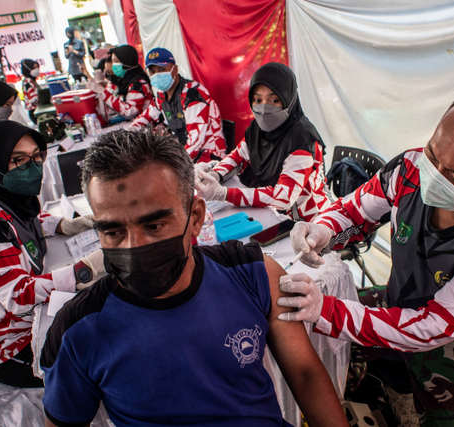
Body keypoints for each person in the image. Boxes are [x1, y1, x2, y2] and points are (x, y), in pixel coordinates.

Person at [40, 129, 348, 427]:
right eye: (113, 231)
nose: (134, 247)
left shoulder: (253, 273)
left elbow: (305, 374)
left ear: (196, 217)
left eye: (155, 226)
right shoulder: (77, 330)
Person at [278, 91, 454, 426]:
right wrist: (323, 229)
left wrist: (329, 311)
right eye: (433, 154)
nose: (434, 174)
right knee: (302, 328)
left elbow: (432, 326)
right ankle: (385, 390)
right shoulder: (409, 169)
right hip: (400, 301)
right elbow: (353, 211)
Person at [0, 119, 106, 388]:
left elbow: (29, 219)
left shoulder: (6, 197)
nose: (33, 167)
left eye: (36, 156)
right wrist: (86, 268)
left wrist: (65, 224)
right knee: (99, 362)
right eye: (18, 160)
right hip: (7, 349)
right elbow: (18, 295)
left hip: (25, 326)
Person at [195, 63, 331, 222]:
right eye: (258, 100)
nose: (264, 108)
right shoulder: (256, 129)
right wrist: (215, 175)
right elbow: (237, 157)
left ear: (290, 99)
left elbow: (284, 197)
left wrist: (224, 194)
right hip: (273, 213)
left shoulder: (302, 140)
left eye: (273, 100)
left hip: (311, 219)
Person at [129, 47, 226, 163]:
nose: (157, 75)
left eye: (161, 69)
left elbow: (196, 142)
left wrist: (175, 165)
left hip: (209, 154)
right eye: (152, 72)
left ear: (175, 69)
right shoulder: (162, 95)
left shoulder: (193, 93)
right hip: (183, 150)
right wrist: (129, 131)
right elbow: (147, 116)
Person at [84, 45, 153, 120]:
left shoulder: (139, 83)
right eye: (113, 61)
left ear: (127, 61)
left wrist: (102, 91)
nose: (114, 65)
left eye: (116, 61)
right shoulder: (124, 81)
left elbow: (129, 111)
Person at [21, 59, 40, 124]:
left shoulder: (32, 80)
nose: (37, 69)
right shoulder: (28, 81)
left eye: (37, 67)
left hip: (36, 110)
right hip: (35, 111)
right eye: (34, 68)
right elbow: (33, 98)